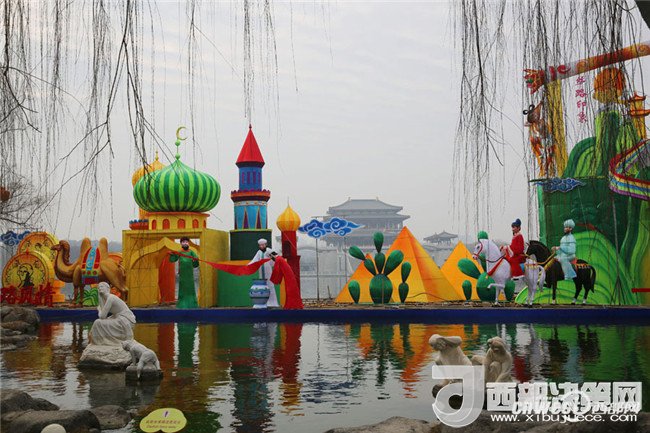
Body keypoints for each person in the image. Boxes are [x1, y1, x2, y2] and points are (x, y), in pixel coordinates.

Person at [169, 236, 199, 309]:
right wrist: (172, 255)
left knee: (190, 288)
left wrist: (196, 260)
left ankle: (192, 304)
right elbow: (173, 259)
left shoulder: (191, 252)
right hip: (182, 274)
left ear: (188, 243)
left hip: (190, 275)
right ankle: (182, 303)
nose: (185, 243)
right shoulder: (179, 252)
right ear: (181, 244)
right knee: (182, 288)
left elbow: (196, 262)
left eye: (186, 242)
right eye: (183, 242)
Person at [249, 239, 279, 307]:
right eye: (260, 245)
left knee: (270, 286)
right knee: (262, 286)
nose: (261, 246)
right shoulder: (259, 252)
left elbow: (276, 258)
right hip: (261, 271)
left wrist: (272, 259)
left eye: (263, 245)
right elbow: (254, 260)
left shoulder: (269, 250)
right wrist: (248, 265)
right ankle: (263, 302)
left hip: (268, 270)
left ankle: (273, 303)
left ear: (266, 244)